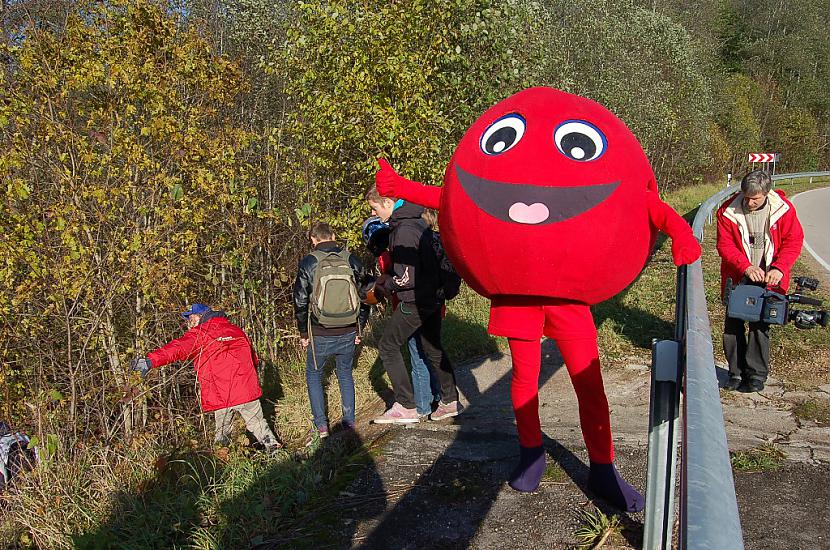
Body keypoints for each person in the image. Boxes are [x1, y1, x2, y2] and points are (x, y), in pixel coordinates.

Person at [364, 189, 461, 424]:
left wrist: (388, 283)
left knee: (388, 346)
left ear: (387, 202)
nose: (374, 213)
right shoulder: (417, 222)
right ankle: (449, 401)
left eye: (374, 208)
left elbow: (407, 277)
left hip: (415, 300)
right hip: (433, 298)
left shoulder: (404, 230)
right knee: (432, 348)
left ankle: (406, 405)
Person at [131, 304, 282, 451]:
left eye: (190, 318)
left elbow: (178, 348)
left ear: (200, 316)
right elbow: (253, 360)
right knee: (258, 425)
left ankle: (224, 465)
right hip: (245, 389)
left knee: (222, 434)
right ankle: (276, 452)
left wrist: (150, 361)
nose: (189, 322)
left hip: (222, 394)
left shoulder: (201, 333)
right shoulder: (236, 330)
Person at [716, 170, 804, 392]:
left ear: (766, 193)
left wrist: (779, 268)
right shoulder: (727, 211)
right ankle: (735, 373)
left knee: (760, 325)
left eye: (755, 199)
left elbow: (793, 241)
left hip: (769, 278)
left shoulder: (783, 210)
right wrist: (745, 266)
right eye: (746, 197)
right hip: (738, 276)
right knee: (733, 325)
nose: (749, 202)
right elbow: (724, 246)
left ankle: (756, 375)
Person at [293, 222, 368, 443]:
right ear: (333, 236)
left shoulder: (309, 262)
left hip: (320, 330)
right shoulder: (350, 259)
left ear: (314, 240)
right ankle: (349, 422)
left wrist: (303, 333)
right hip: (348, 328)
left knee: (314, 375)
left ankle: (322, 427)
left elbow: (300, 300)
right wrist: (359, 327)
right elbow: (366, 294)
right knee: (345, 373)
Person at [362, 216, 441, 419]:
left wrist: (379, 287)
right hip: (432, 304)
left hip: (410, 306)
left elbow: (396, 282)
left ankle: (422, 406)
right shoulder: (409, 242)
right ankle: (437, 397)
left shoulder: (388, 254)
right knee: (429, 353)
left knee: (417, 355)